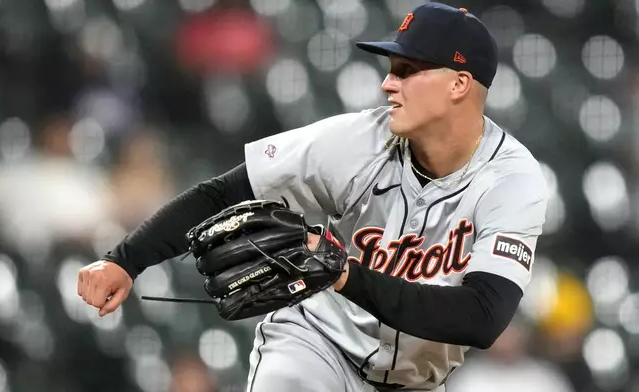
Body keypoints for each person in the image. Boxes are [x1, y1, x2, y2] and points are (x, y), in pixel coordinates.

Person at [77, 3, 549, 391]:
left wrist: (345, 274)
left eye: (407, 71)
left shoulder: (512, 180)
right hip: (316, 345)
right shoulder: (358, 140)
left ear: (459, 84)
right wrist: (125, 260)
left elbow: (483, 317)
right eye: (390, 69)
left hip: (418, 383)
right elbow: (224, 192)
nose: (388, 83)